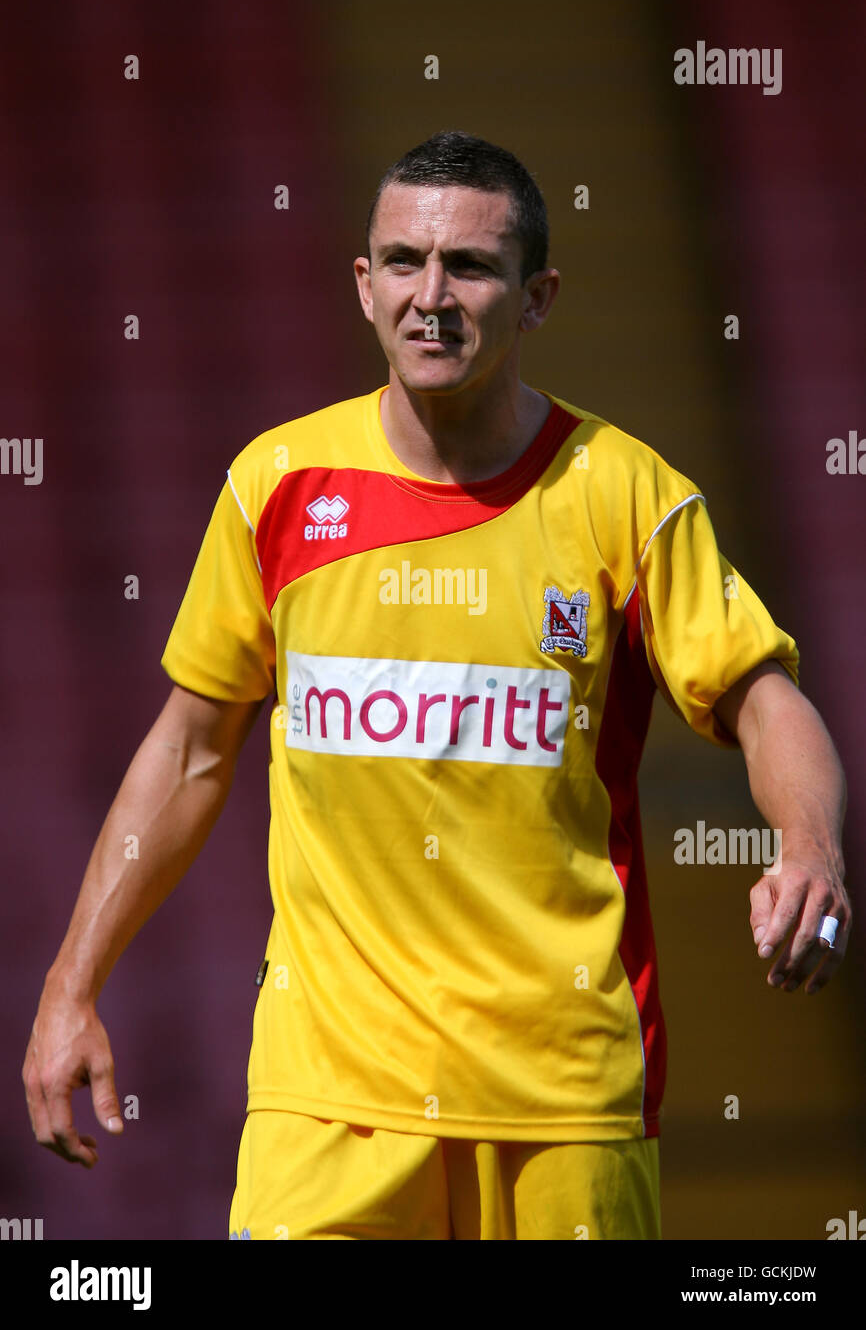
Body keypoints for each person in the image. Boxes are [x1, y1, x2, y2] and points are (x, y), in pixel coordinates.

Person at [23, 131, 850, 1241]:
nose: (431, 296)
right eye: (402, 261)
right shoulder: (276, 486)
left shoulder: (627, 495)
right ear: (362, 286)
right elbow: (188, 749)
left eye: (468, 267)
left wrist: (806, 843)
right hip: (325, 1100)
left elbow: (764, 698)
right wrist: (71, 982)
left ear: (537, 294)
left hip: (561, 1094)